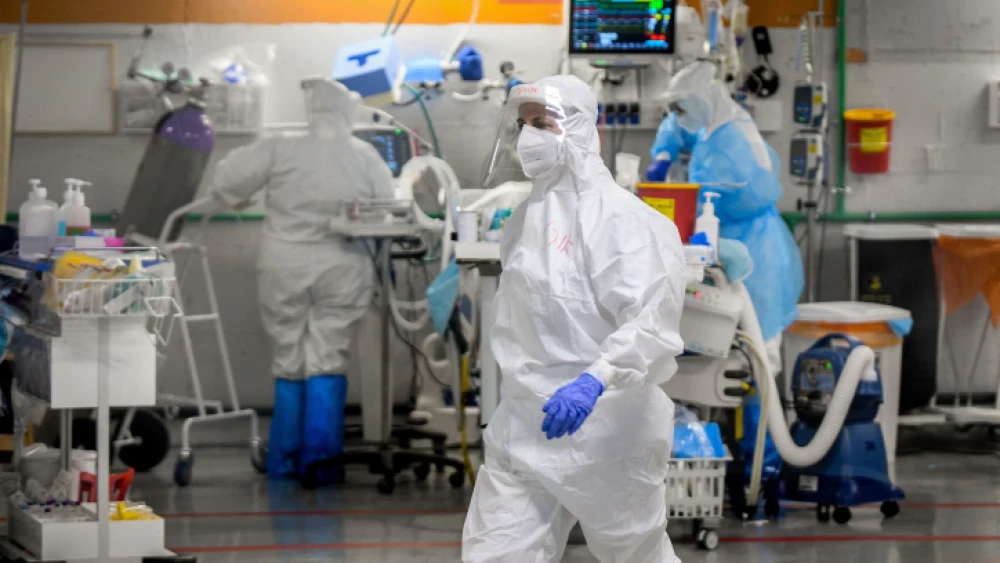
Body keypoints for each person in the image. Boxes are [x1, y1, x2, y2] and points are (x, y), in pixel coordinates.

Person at [463, 75, 686, 563]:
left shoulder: (626, 221)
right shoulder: (524, 221)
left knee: (636, 556)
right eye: (523, 125)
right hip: (524, 426)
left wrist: (594, 380)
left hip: (608, 433)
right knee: (495, 554)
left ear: (581, 128)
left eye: (542, 123)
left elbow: (651, 323)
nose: (529, 138)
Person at [207, 77, 395, 482]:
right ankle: (322, 464)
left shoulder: (282, 146)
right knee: (329, 356)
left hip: (284, 266)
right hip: (342, 266)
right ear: (348, 111)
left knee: (289, 356)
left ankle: (284, 460)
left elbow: (229, 180)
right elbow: (389, 206)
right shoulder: (364, 155)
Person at [661, 61, 804, 373]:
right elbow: (680, 131)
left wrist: (688, 206)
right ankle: (749, 417)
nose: (679, 115)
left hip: (754, 250)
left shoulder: (729, 140)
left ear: (700, 100)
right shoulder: (720, 124)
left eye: (681, 107)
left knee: (756, 356)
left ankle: (761, 420)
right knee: (740, 351)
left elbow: (741, 194)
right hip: (746, 241)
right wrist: (664, 150)